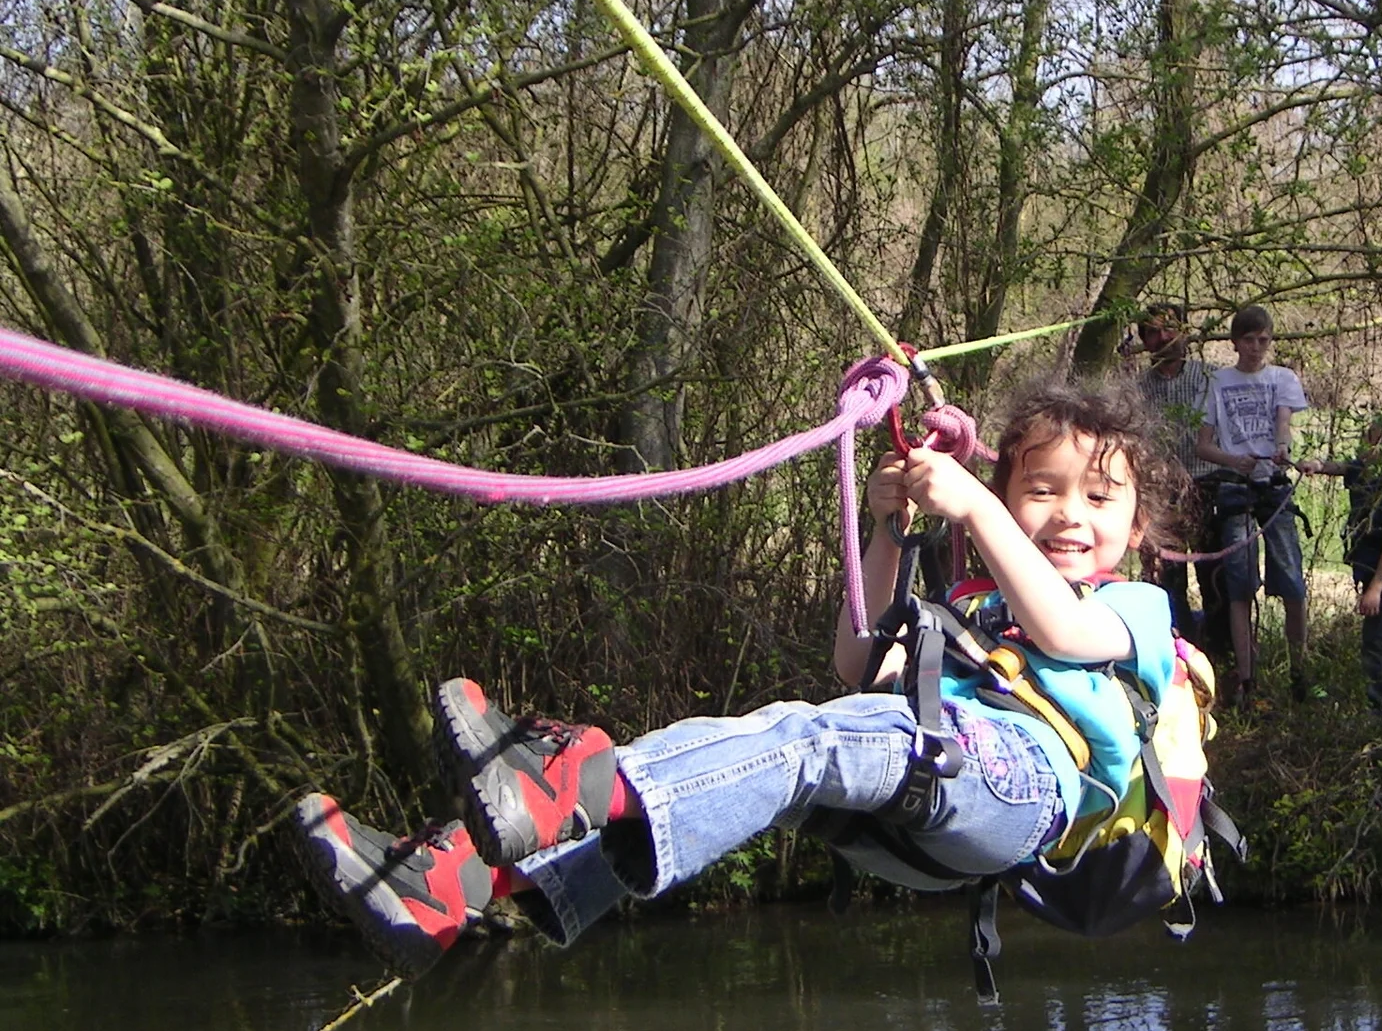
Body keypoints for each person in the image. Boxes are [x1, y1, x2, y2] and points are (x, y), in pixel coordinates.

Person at [293, 380, 1188, 979]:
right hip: (922, 798)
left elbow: (1065, 632)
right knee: (774, 753)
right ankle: (456, 884)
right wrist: (892, 532)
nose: (1069, 513)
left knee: (807, 735)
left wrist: (979, 505)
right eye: (1041, 490)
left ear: (1139, 527)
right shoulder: (976, 602)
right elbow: (858, 661)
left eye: (1099, 498)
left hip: (1021, 786)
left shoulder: (1136, 609)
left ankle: (574, 780)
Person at [1194, 304, 1314, 706]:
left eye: (1264, 339)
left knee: (1292, 582)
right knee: (1240, 587)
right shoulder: (1218, 381)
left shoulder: (1282, 377)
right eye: (1249, 340)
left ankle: (1301, 671)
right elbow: (1203, 444)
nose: (1257, 347)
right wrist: (1234, 460)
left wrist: (1281, 449)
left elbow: (1283, 421)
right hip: (1234, 488)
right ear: (1235, 342)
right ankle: (1247, 681)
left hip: (1274, 484)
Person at [1299, 417, 1382, 711]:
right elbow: (1339, 467)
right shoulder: (1364, 473)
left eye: (1371, 441)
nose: (1363, 446)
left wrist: (1376, 589)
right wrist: (1315, 466)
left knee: (1379, 642)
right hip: (1372, 573)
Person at [1128, 302, 1215, 642]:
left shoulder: (1209, 378)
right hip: (1160, 491)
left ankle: (1218, 654)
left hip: (1208, 483)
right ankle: (1178, 646)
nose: (1163, 337)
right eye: (1153, 331)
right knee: (1167, 578)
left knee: (1215, 576)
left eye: (1169, 328)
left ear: (1184, 333)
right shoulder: (1137, 387)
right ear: (1145, 341)